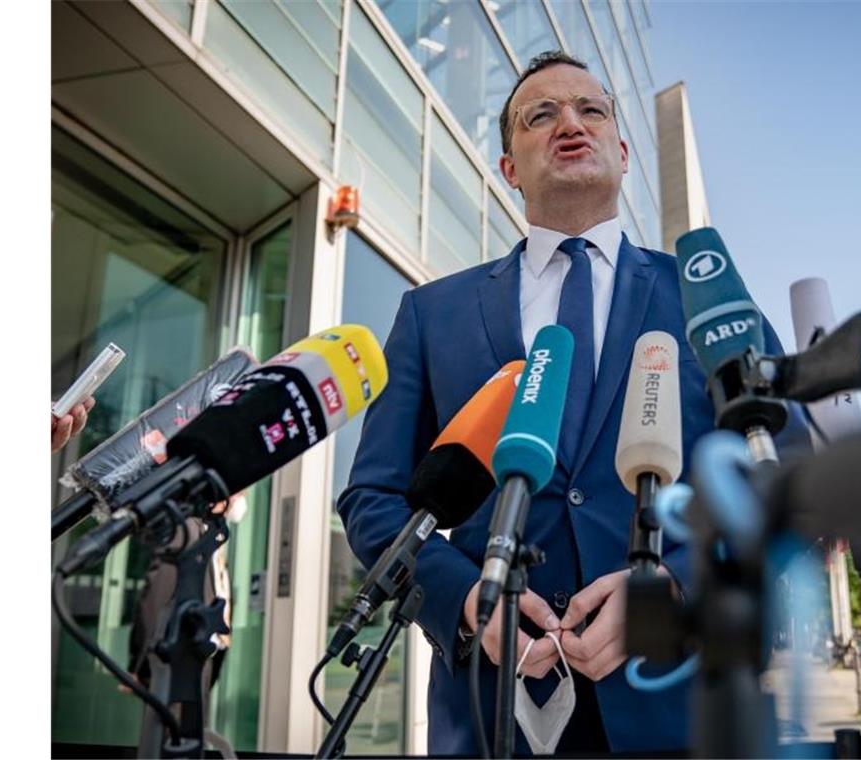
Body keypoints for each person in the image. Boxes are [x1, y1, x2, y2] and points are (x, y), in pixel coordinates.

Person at [337, 50, 807, 755]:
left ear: (620, 150)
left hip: (684, 705)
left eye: (591, 111)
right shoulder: (432, 314)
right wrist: (465, 598)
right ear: (508, 168)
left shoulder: (708, 298)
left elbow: (787, 477)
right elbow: (373, 500)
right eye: (540, 115)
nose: (570, 124)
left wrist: (675, 587)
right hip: (491, 714)